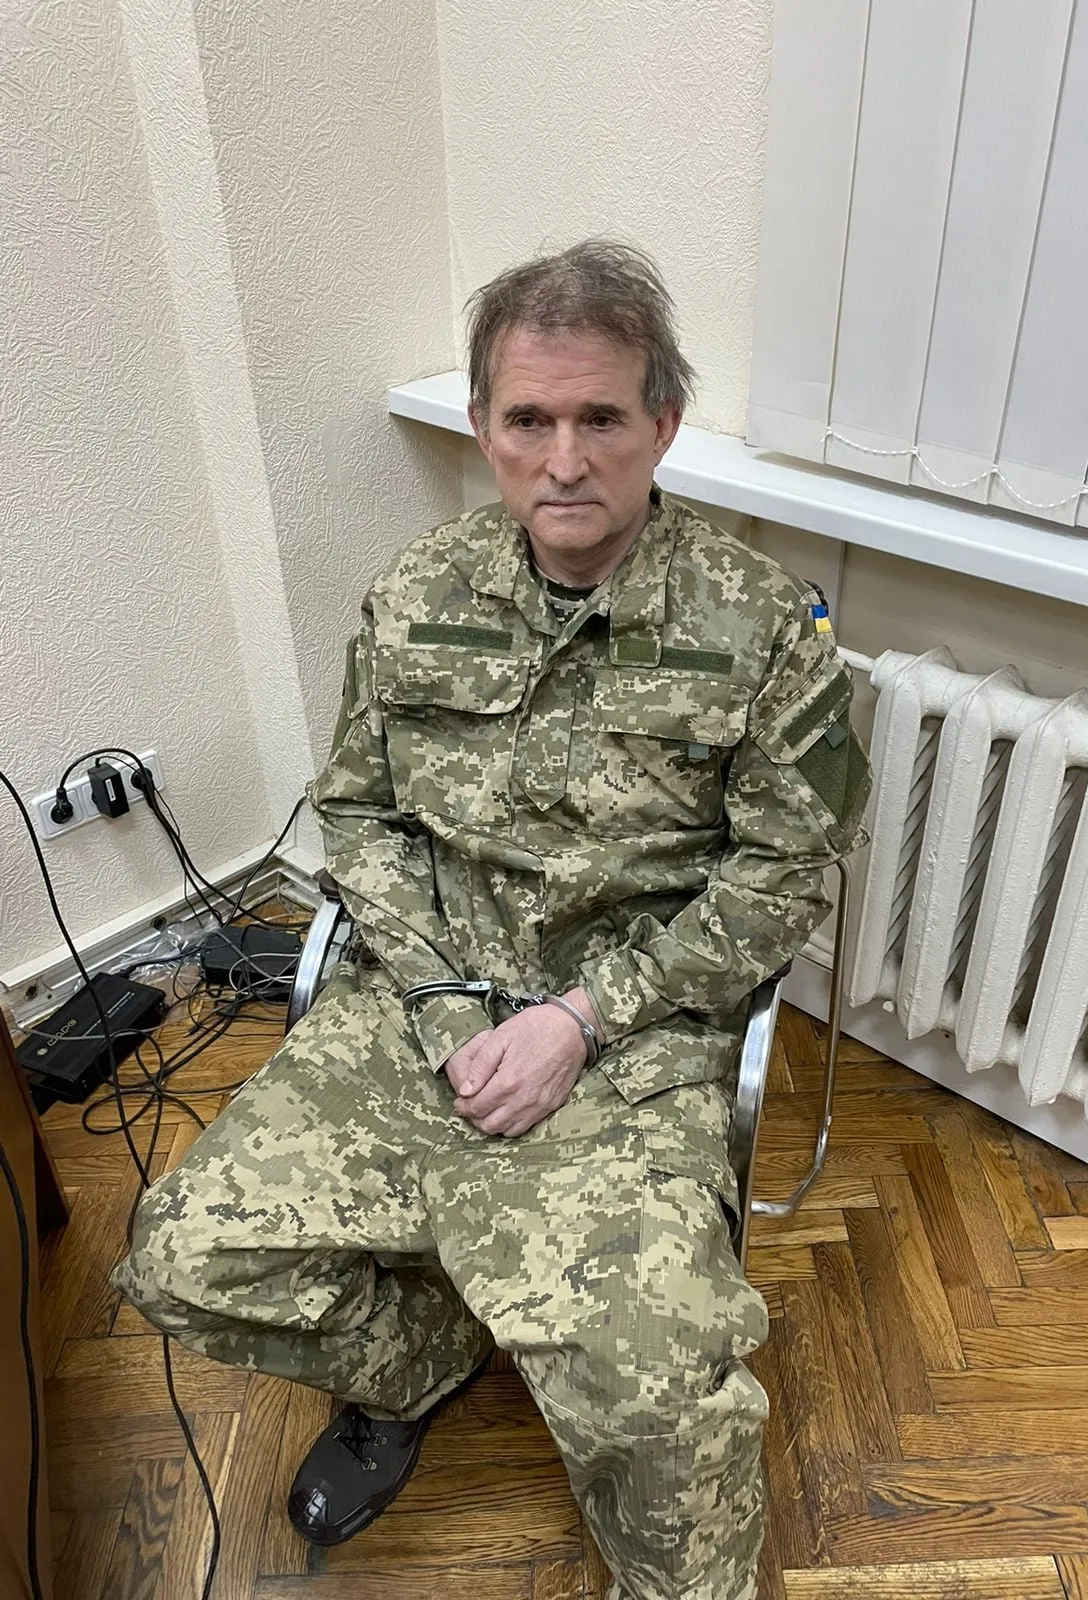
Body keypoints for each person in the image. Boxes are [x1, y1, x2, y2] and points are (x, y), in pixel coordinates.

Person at [114, 239, 869, 1600]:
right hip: (419, 1007)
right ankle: (417, 1366)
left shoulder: (763, 628)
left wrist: (582, 1019)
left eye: (601, 418)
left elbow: (784, 877)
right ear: (482, 427)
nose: (564, 460)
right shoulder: (416, 593)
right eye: (529, 419)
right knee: (183, 1258)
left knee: (663, 1401)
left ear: (663, 425)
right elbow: (361, 812)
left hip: (635, 1041)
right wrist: (447, 1003)